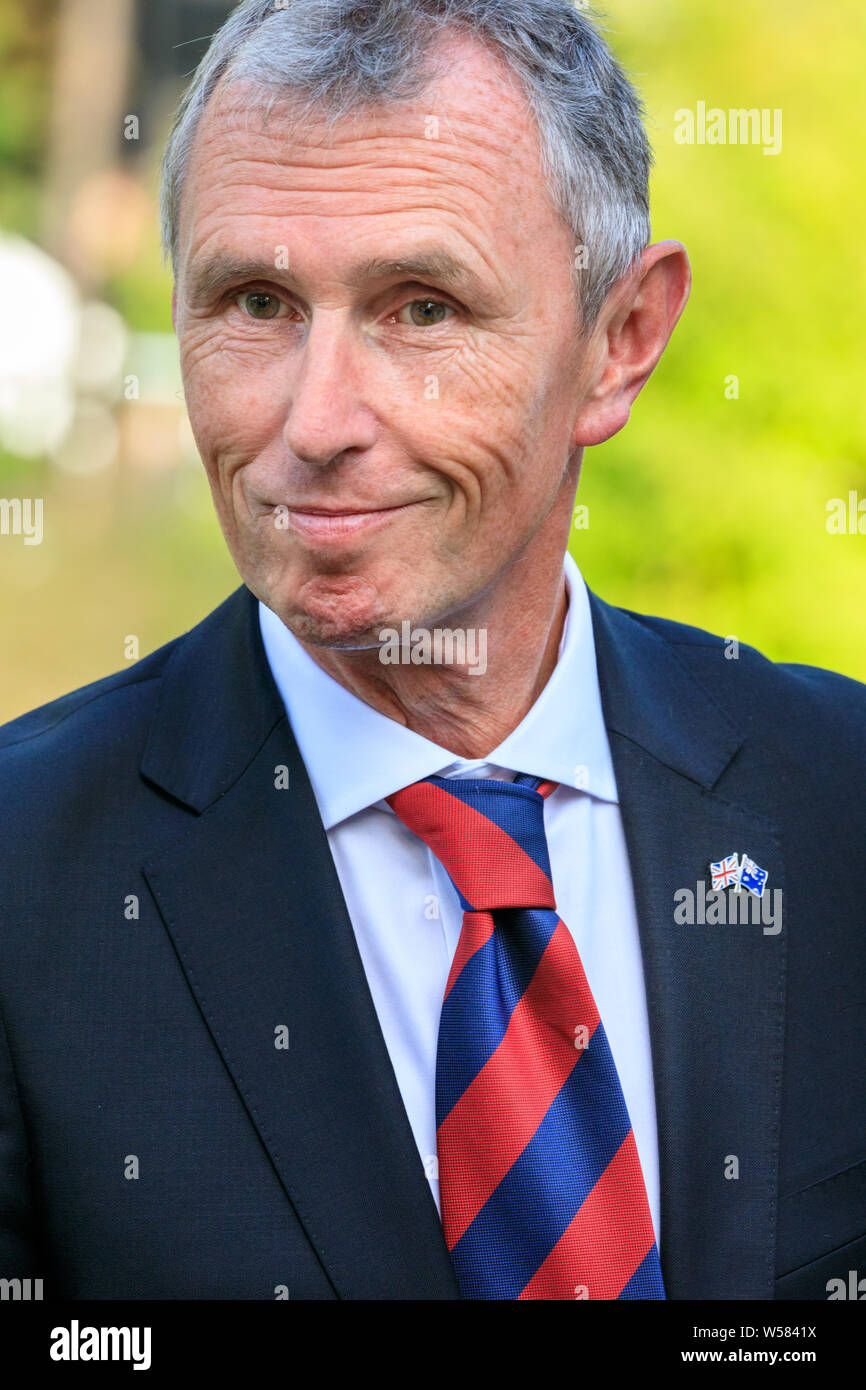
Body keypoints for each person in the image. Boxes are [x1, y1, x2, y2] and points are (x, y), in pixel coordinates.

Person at [1, 0, 864, 1301]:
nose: (316, 419)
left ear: (619, 341)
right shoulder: (27, 879)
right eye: (254, 300)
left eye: (420, 308)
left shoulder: (835, 795)